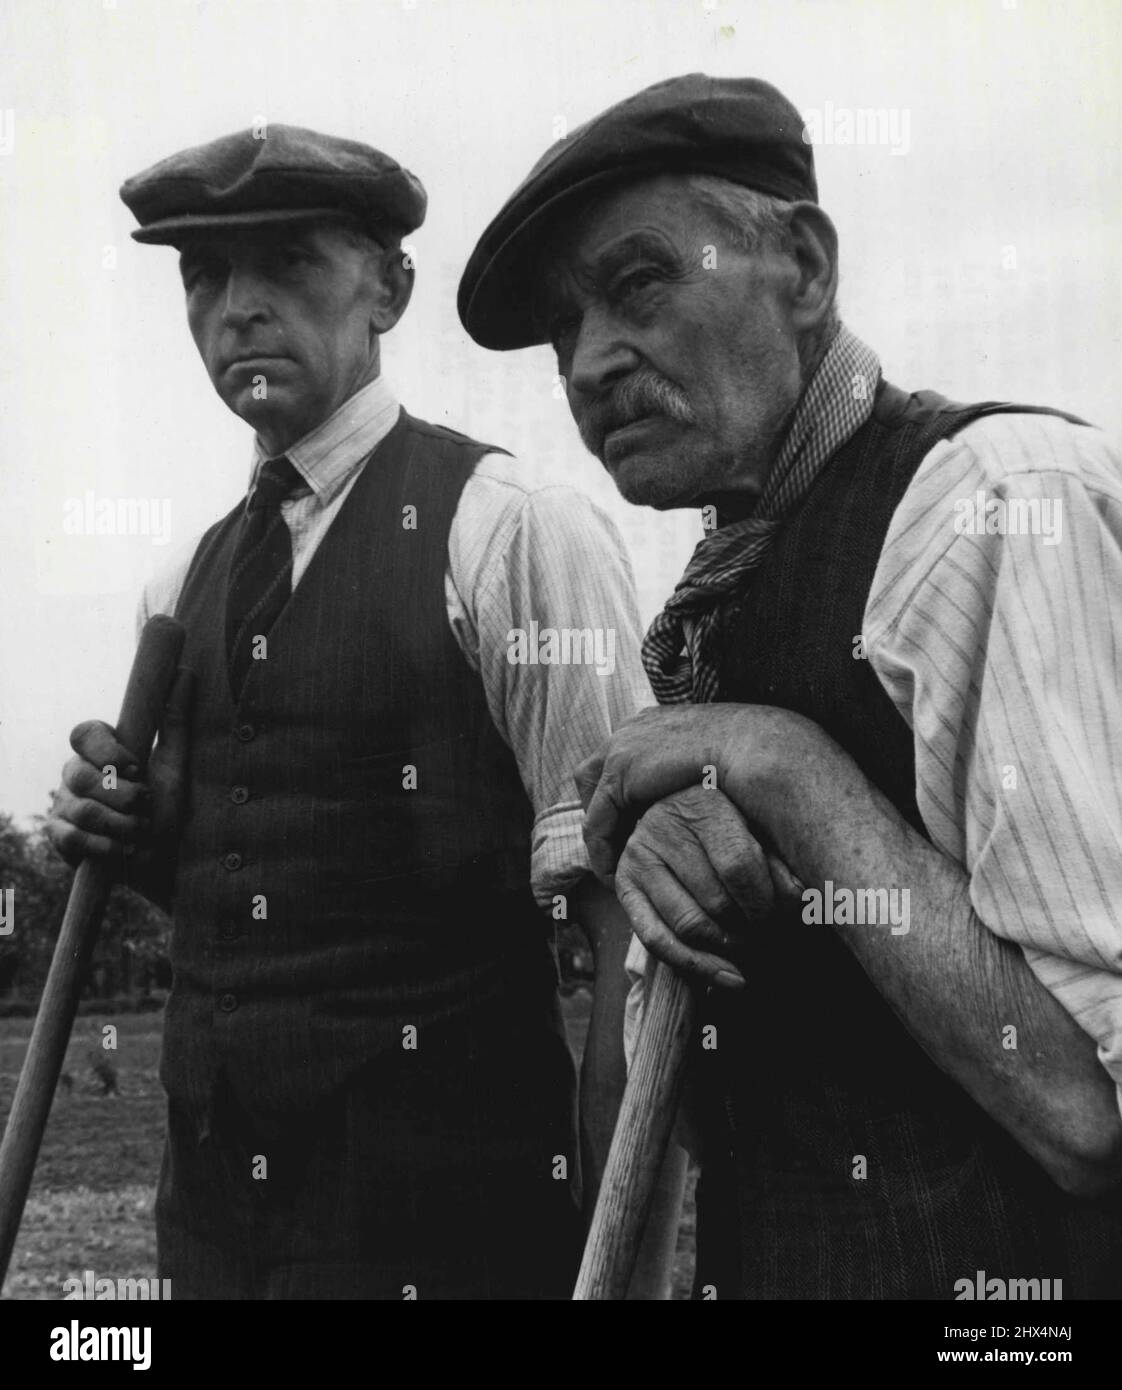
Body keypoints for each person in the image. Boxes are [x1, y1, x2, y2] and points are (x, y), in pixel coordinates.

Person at [458, 73, 1122, 1299]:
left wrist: (785, 772)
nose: (591, 364)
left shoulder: (992, 505)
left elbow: (1091, 1107)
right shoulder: (729, 601)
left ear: (804, 270)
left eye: (638, 284)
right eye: (563, 333)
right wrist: (699, 865)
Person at [46, 124, 653, 1300]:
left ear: (389, 289)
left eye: (286, 264)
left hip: (450, 1227)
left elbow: (627, 922)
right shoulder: (180, 588)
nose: (238, 310)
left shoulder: (511, 528)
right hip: (213, 1230)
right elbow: (251, 886)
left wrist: (614, 1260)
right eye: (205, 275)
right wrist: (142, 839)